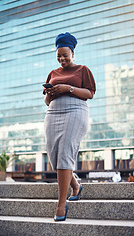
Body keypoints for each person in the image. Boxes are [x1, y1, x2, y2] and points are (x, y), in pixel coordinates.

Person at [43, 32, 96, 221]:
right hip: (53, 112)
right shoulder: (53, 73)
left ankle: (61, 204)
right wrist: (49, 93)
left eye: (65, 55)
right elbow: (47, 101)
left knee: (65, 152)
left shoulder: (83, 70)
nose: (61, 58)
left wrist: (68, 89)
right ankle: (76, 186)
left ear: (72, 53)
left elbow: (90, 93)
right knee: (54, 156)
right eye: (58, 55)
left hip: (75, 111)